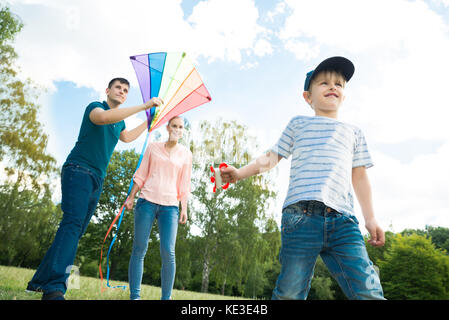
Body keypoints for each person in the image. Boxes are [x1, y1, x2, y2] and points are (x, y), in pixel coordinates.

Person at [221, 57, 386, 300]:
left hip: (343, 222)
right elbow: (271, 157)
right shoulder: (298, 124)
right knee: (290, 292)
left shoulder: (354, 133)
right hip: (300, 218)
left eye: (339, 84)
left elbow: (360, 177)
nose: (333, 87)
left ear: (344, 94)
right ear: (308, 97)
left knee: (368, 289)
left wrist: (370, 218)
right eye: (324, 83)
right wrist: (239, 173)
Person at [26, 78, 163, 300]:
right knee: (72, 225)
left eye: (126, 90)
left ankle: (42, 282)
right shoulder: (95, 107)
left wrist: (148, 122)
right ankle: (54, 289)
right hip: (78, 169)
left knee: (75, 230)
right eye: (118, 88)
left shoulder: (120, 122)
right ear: (108, 90)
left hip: (97, 178)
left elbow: (126, 137)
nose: (122, 91)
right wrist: (144, 106)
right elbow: (103, 118)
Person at [124, 116, 192, 300]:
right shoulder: (153, 147)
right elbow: (141, 174)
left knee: (168, 252)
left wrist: (184, 208)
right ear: (168, 128)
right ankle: (135, 296)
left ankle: (166, 298)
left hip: (170, 207)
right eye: (174, 126)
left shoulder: (186, 154)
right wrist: (131, 197)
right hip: (146, 201)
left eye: (181, 127)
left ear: (182, 131)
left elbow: (184, 184)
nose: (177, 129)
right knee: (139, 248)